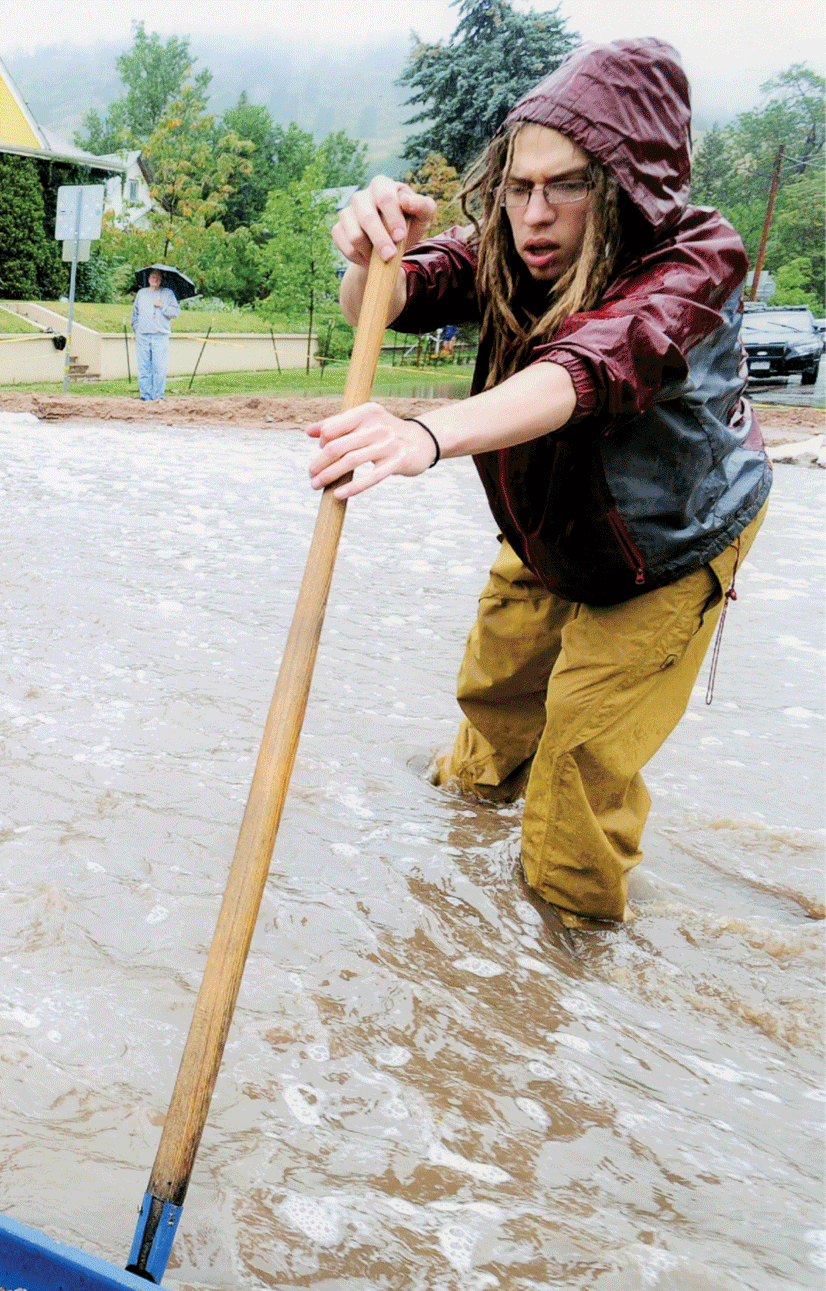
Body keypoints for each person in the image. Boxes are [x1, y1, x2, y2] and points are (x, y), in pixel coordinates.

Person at [308, 38, 771, 929]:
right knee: (490, 712)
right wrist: (374, 258)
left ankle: (565, 980)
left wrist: (424, 435)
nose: (535, 215)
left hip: (667, 548)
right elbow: (397, 296)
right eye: (520, 187)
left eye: (568, 186)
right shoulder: (512, 246)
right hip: (551, 527)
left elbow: (586, 370)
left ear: (628, 184)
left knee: (575, 785)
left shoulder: (696, 262)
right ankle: (467, 911)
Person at [131, 268, 180, 400]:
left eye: (158, 277)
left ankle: (158, 396)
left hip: (160, 335)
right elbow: (135, 312)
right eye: (153, 276)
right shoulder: (141, 293)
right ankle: (145, 396)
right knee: (143, 367)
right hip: (142, 336)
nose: (155, 279)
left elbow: (175, 313)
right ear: (148, 279)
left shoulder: (168, 294)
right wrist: (137, 327)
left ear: (161, 280)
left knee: (159, 368)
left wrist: (162, 306)